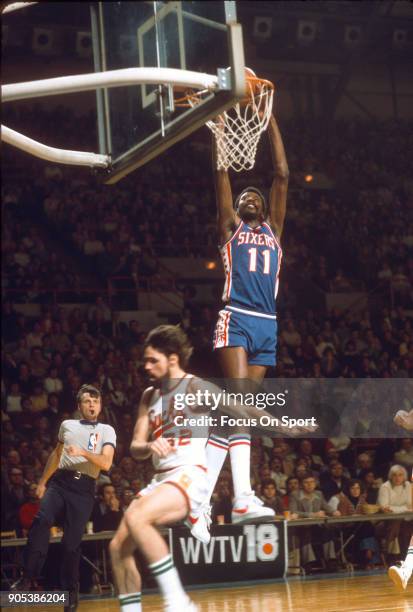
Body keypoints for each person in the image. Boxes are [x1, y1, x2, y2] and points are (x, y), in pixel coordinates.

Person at [109, 324, 283, 611]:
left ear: (172, 359)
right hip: (161, 480)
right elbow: (135, 447)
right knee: (118, 548)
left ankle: (179, 601)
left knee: (139, 519)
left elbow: (243, 409)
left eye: (153, 360)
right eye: (145, 359)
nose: (146, 366)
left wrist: (285, 427)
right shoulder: (148, 397)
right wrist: (150, 446)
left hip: (189, 475)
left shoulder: (195, 386)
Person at [200, 109, 289, 534]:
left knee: (238, 416)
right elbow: (222, 174)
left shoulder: (274, 231)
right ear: (234, 209)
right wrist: (219, 134)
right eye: (242, 197)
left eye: (255, 195)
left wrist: (268, 119)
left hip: (267, 325)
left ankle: (199, 499)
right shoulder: (229, 229)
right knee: (239, 404)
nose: (249, 197)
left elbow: (283, 174)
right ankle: (241, 497)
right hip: (236, 318)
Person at [12, 384, 116, 612]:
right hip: (60, 483)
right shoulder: (67, 425)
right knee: (41, 520)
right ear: (79, 405)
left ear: (100, 406)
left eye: (96, 402)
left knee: (70, 545)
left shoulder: (107, 430)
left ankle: (70, 594)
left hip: (84, 489)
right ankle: (28, 578)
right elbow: (57, 454)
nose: (92, 405)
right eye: (88, 401)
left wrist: (84, 453)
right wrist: (42, 482)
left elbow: (106, 463)